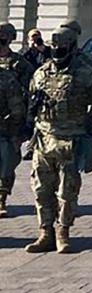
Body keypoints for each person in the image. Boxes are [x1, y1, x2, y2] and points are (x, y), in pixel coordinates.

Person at [26, 26, 92, 253]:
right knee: (41, 189)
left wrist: (91, 130)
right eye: (55, 45)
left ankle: (63, 231)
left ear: (72, 46)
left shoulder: (85, 72)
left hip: (72, 140)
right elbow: (32, 101)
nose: (58, 49)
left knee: (67, 192)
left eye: (63, 45)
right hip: (44, 139)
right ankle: (45, 232)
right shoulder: (41, 73)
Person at [0, 22, 31, 217]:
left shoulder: (20, 64)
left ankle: (1, 198)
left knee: (6, 162)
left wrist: (25, 124)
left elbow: (30, 94)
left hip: (10, 123)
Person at [0, 63, 26, 223]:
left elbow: (17, 109)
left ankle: (1, 199)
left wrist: (15, 132)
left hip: (2, 132)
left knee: (4, 166)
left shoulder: (6, 78)